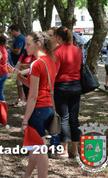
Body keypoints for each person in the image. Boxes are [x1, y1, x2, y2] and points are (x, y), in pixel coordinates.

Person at [18, 31, 56, 178]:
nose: (25, 47)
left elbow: (33, 95)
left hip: (38, 110)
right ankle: (26, 175)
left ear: (38, 44)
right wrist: (17, 76)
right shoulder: (50, 61)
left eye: (28, 44)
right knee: (35, 147)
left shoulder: (36, 64)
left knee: (40, 150)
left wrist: (25, 120)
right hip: (48, 108)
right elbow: (34, 86)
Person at [53, 26, 82, 159]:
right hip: (76, 85)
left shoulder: (57, 51)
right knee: (74, 118)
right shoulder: (76, 49)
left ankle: (64, 150)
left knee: (64, 117)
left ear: (58, 37)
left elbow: (55, 71)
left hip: (62, 86)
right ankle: (75, 150)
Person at [7, 24, 26, 107]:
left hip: (20, 63)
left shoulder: (20, 39)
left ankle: (21, 100)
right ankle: (19, 99)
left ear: (14, 30)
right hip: (17, 63)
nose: (10, 34)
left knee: (20, 82)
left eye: (10, 32)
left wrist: (9, 48)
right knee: (18, 81)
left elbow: (17, 52)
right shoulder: (17, 38)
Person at [0, 35, 8, 102]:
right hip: (5, 72)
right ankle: (4, 107)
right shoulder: (4, 49)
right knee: (0, 92)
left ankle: (1, 109)